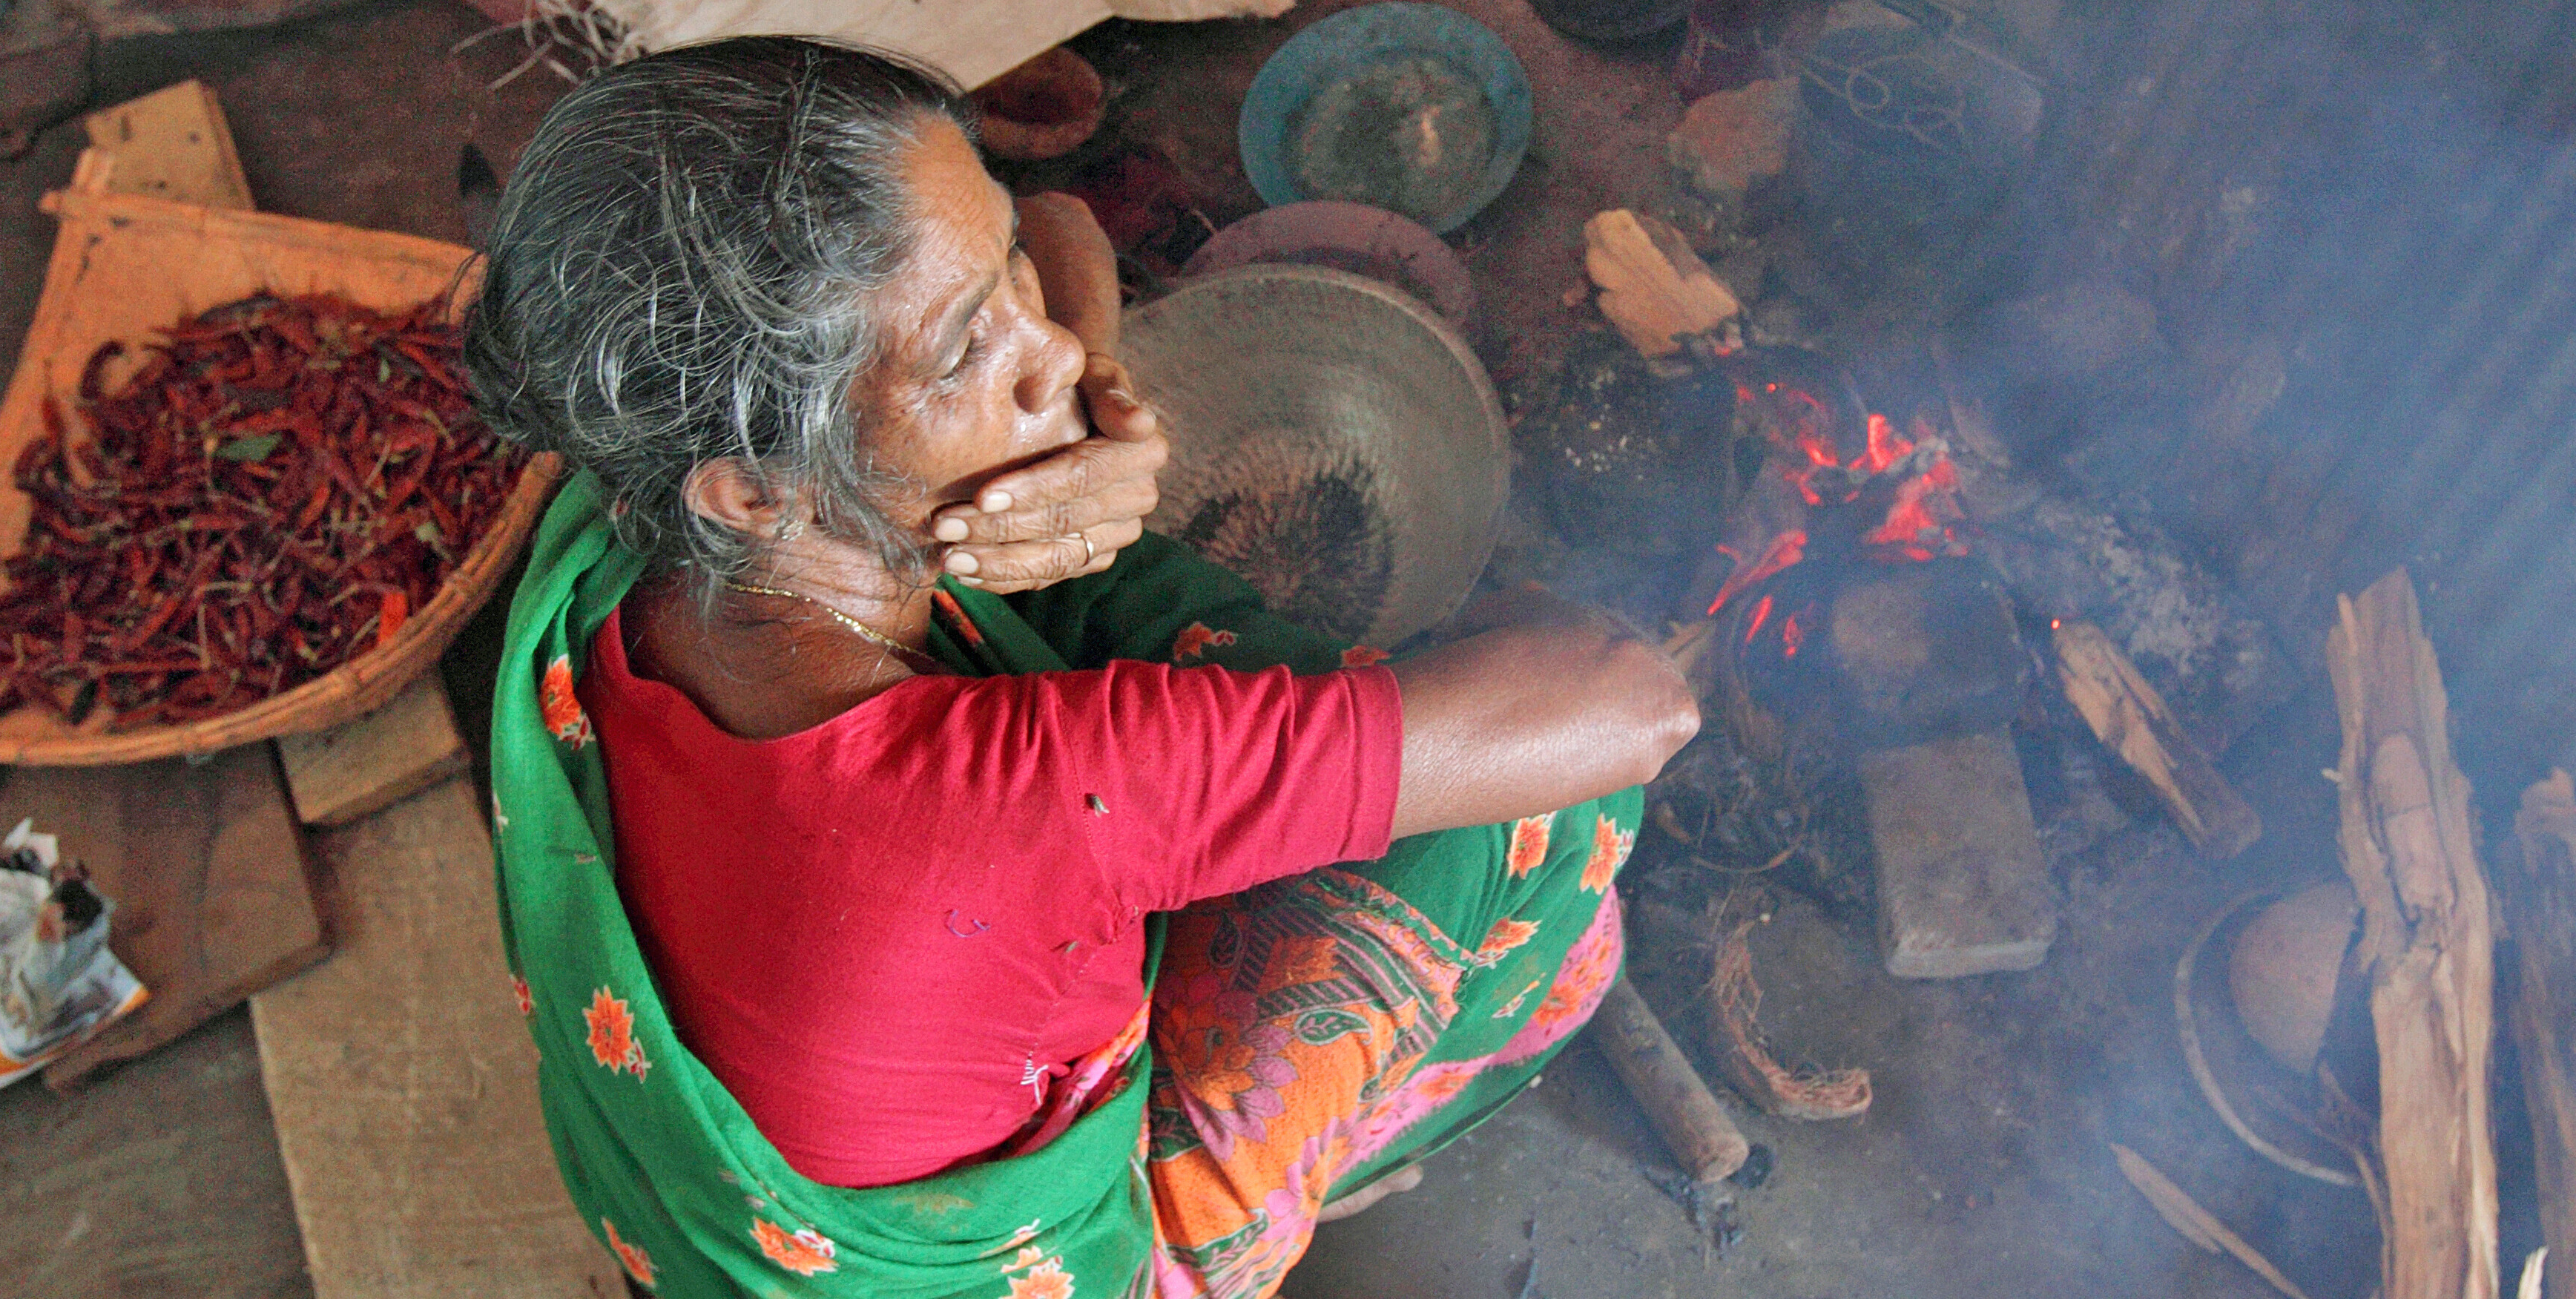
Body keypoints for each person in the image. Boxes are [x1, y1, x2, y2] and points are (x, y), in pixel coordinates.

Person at [463, 36, 1699, 1298]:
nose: (1041, 347)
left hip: (720, 1207)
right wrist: (1532, 609)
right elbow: (1636, 701)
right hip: (1039, 1260)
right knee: (1541, 815)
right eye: (965, 353)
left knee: (1132, 608)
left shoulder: (632, 517)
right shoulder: (1017, 798)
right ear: (750, 489)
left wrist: (1090, 373)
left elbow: (1058, 218)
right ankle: (1276, 1200)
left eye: (1004, 279)